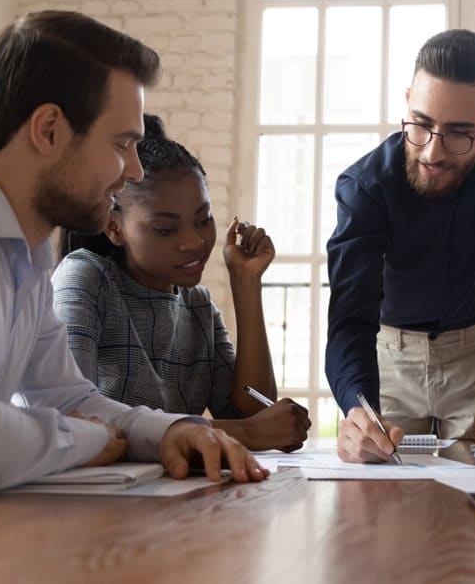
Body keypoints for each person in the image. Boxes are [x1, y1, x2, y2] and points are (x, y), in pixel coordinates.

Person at [0, 11, 267, 500]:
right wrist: (89, 437)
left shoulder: (24, 250)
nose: (135, 171)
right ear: (50, 130)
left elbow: (65, 395)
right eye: (123, 143)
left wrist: (166, 431)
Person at [328, 28, 475, 462]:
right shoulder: (364, 186)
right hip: (389, 356)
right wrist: (357, 410)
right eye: (422, 123)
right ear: (408, 101)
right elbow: (350, 318)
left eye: (459, 133)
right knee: (383, 500)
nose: (433, 152)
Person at [53, 114, 311, 453]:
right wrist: (243, 434)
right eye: (165, 229)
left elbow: (256, 412)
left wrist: (245, 282)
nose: (193, 242)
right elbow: (74, 419)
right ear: (114, 228)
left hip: (173, 498)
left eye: (204, 220)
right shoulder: (86, 279)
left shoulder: (197, 305)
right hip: (95, 501)